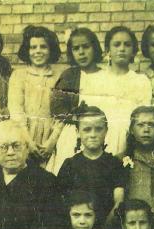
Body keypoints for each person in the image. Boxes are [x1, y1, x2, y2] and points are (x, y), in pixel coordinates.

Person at [80, 26, 151, 157]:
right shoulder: (94, 79)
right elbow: (87, 117)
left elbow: (144, 116)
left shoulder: (141, 81)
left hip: (128, 142)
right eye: (117, 44)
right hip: (98, 139)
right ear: (108, 50)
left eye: (127, 45)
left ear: (133, 51)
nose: (122, 49)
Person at [56, 104, 126, 229]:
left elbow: (119, 201)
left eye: (98, 129)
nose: (93, 134)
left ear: (106, 131)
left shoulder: (114, 164)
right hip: (76, 228)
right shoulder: (70, 165)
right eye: (87, 129)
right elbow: (60, 201)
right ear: (77, 132)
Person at [49, 27, 103, 174]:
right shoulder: (69, 76)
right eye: (76, 48)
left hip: (99, 132)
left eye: (86, 47)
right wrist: (76, 116)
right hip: (73, 133)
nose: (81, 52)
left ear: (95, 48)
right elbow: (57, 109)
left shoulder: (105, 75)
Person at [8, 25, 63, 165]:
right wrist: (28, 142)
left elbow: (63, 113)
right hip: (23, 135)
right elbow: (16, 111)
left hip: (52, 137)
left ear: (51, 50)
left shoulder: (60, 76)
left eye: (43, 47)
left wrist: (51, 142)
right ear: (27, 50)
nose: (38, 51)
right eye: (33, 47)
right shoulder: (18, 76)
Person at [122, 106, 154, 229]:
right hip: (132, 224)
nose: (146, 129)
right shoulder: (122, 159)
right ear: (132, 129)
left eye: (151, 125)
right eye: (140, 125)